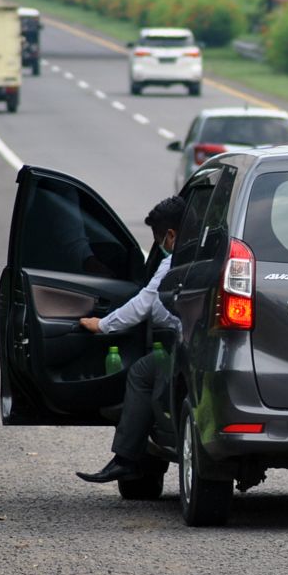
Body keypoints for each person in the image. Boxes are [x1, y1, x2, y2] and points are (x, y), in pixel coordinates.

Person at [76, 196, 185, 484]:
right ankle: (128, 458)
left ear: (171, 236)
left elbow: (144, 304)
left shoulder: (175, 261)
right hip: (194, 345)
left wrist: (103, 325)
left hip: (185, 348)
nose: (159, 246)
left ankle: (127, 459)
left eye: (159, 239)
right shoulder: (208, 255)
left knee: (141, 372)